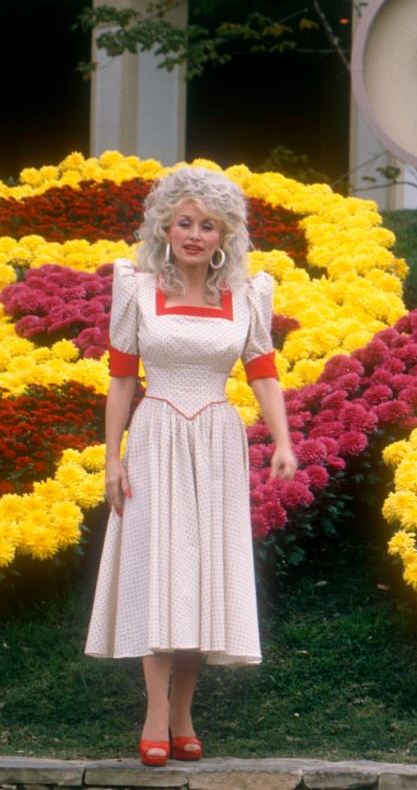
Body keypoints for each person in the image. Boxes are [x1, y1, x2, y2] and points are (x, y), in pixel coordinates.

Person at [85, 166, 298, 767]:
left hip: (216, 439)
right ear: (166, 227)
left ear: (225, 234)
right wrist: (112, 460)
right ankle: (155, 713)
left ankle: (184, 714)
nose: (196, 234)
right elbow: (122, 380)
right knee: (160, 568)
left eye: (208, 225)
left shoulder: (246, 294)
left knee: (200, 574)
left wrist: (282, 441)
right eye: (185, 223)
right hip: (154, 436)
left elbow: (263, 374)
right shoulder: (137, 287)